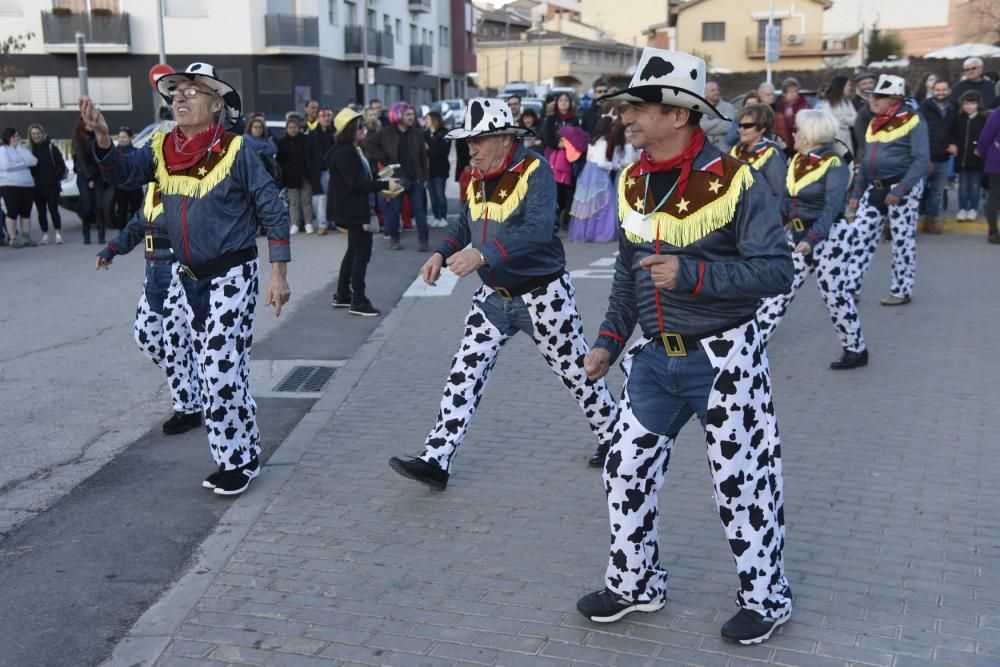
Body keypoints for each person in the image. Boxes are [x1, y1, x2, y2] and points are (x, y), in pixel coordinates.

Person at [573, 48, 794, 645]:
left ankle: (766, 596)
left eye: (639, 107)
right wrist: (608, 343)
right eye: (627, 107)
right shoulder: (633, 180)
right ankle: (635, 583)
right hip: (654, 359)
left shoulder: (737, 180)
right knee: (624, 468)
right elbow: (626, 273)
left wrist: (694, 277)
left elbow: (778, 271)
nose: (627, 117)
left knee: (743, 482)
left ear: (679, 115)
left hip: (725, 358)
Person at [80, 61, 292, 496]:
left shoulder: (237, 150)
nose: (179, 96)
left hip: (233, 272)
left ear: (216, 105)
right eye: (176, 91)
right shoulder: (161, 148)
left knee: (219, 369)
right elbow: (120, 173)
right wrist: (102, 137)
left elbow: (273, 208)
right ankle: (227, 441)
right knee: (201, 360)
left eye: (192, 92)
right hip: (186, 275)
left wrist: (278, 272)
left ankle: (240, 459)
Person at [387, 97, 620, 490]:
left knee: (577, 374)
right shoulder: (477, 174)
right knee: (464, 374)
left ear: (504, 139)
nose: (471, 149)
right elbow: (465, 224)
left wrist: (482, 254)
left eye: (479, 141)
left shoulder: (536, 170)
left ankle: (614, 435)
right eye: (469, 142)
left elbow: (539, 229)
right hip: (494, 297)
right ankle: (436, 458)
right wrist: (441, 252)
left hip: (542, 295)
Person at [756, 109, 868, 369]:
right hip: (797, 234)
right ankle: (752, 347)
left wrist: (813, 238)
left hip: (829, 237)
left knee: (834, 294)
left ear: (810, 135)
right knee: (779, 290)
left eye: (797, 130)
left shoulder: (834, 164)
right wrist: (772, 228)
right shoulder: (797, 160)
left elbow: (831, 207)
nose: (792, 133)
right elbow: (785, 201)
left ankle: (856, 349)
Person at [96, 192, 204, 436]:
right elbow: (137, 224)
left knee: (176, 343)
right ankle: (194, 382)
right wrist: (111, 249)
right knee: (147, 338)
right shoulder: (152, 190)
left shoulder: (185, 186)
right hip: (154, 273)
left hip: (180, 272)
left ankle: (187, 408)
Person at [846, 74, 930, 306]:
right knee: (860, 237)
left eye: (879, 97)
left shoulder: (913, 121)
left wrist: (902, 189)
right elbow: (866, 160)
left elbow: (921, 160)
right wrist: (856, 192)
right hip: (875, 188)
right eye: (873, 96)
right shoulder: (875, 122)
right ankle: (851, 286)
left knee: (902, 241)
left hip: (900, 188)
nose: (873, 100)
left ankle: (901, 290)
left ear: (894, 99)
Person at [327, 107, 401, 316]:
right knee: (361, 255)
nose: (364, 129)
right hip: (354, 210)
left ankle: (342, 295)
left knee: (353, 252)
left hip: (354, 209)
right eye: (359, 126)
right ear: (349, 129)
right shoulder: (345, 152)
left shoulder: (350, 149)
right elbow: (357, 183)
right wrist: (384, 183)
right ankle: (358, 301)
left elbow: (361, 179)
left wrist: (381, 180)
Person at [366, 101, 430, 251]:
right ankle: (394, 239)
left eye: (412, 114)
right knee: (394, 210)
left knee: (419, 210)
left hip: (415, 179)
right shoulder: (386, 132)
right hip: (396, 178)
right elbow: (368, 144)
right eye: (408, 114)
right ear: (398, 115)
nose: (411, 117)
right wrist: (384, 158)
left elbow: (423, 156)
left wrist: (425, 177)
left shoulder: (417, 133)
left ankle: (423, 240)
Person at [568, 115, 618, 243]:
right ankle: (601, 232)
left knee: (588, 203)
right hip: (598, 172)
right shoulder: (604, 142)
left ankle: (586, 232)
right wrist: (614, 166)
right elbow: (601, 162)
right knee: (605, 203)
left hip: (588, 171)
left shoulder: (593, 141)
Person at [918, 79, 953, 235]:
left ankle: (930, 221)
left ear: (949, 91)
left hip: (944, 157)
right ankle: (912, 220)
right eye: (937, 89)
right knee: (919, 190)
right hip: (926, 157)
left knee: (937, 192)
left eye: (944, 89)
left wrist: (954, 144)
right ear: (932, 91)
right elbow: (918, 132)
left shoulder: (953, 108)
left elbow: (955, 130)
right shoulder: (924, 108)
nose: (941, 92)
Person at [542, 92, 582, 228]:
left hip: (570, 158)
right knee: (555, 187)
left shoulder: (575, 119)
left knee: (569, 187)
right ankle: (554, 218)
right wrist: (558, 144)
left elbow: (578, 137)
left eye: (566, 100)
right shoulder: (551, 119)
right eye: (561, 100)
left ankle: (567, 218)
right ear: (557, 103)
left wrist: (569, 144)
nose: (564, 102)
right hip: (554, 157)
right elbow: (546, 137)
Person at [731, 104, 786, 200]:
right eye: (740, 125)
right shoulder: (736, 151)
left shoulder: (770, 153)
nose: (741, 129)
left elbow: (779, 192)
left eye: (747, 126)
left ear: (762, 129)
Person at [948, 90, 988, 222]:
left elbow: (986, 138)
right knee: (963, 185)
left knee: (975, 185)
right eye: (966, 103)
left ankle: (973, 209)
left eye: (972, 103)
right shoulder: (958, 119)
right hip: (962, 159)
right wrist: (953, 144)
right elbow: (952, 135)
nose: (969, 106)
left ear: (978, 104)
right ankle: (962, 209)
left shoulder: (983, 119)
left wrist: (981, 149)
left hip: (977, 159)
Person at [27, 123, 66, 245]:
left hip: (51, 185)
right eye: (33, 134)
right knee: (41, 212)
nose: (36, 136)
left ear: (42, 134)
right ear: (30, 135)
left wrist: (54, 179)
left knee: (53, 210)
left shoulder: (51, 148)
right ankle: (45, 235)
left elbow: (61, 165)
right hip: (37, 187)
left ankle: (58, 234)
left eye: (38, 133)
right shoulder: (28, 150)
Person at [0, 127, 37, 247]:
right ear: (7, 138)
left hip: (27, 185)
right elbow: (6, 166)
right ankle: (13, 238)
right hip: (10, 185)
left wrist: (20, 152)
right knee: (12, 212)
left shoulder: (23, 149)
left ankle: (26, 237)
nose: (17, 138)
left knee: (26, 212)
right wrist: (23, 164)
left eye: (18, 136)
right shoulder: (3, 150)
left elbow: (34, 162)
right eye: (13, 136)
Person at [277, 117, 314, 234]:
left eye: (295, 128)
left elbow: (310, 156)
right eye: (290, 128)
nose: (293, 130)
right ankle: (295, 223)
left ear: (299, 128)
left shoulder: (305, 140)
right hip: (290, 176)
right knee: (293, 202)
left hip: (305, 174)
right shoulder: (282, 142)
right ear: (286, 129)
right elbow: (279, 160)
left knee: (306, 201)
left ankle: (308, 223)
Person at [72, 117, 105, 244]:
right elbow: (80, 160)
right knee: (86, 206)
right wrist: (89, 177)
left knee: (99, 205)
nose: (91, 125)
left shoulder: (97, 136)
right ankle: (86, 234)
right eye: (88, 123)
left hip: (98, 174)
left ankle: (101, 235)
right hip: (84, 175)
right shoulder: (77, 139)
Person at [306, 107, 335, 235]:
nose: (326, 118)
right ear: (318, 118)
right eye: (323, 116)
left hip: (334, 170)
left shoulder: (335, 133)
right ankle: (322, 224)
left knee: (334, 198)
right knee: (321, 199)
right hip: (319, 171)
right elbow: (308, 155)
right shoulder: (312, 135)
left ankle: (335, 222)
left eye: (328, 116)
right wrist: (312, 172)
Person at [110, 127, 144, 231]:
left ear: (130, 138)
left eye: (124, 137)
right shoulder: (114, 152)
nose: (121, 139)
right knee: (122, 212)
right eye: (119, 137)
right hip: (121, 187)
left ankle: (137, 233)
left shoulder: (137, 152)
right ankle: (122, 235)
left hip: (135, 186)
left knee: (136, 212)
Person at [977, 102, 1000, 243]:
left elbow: (987, 134)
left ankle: (993, 232)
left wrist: (981, 150)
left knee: (994, 194)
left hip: (997, 159)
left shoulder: (998, 112)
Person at [816, 75, 857, 154]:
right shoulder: (827, 102)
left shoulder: (847, 102)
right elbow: (829, 120)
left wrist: (843, 119)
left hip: (847, 137)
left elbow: (855, 120)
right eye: (848, 85)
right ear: (841, 86)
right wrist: (847, 119)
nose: (850, 88)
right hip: (834, 137)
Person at [424, 110, 450, 228]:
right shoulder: (425, 134)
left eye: (427, 119)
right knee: (432, 196)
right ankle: (436, 216)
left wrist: (428, 151)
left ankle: (443, 217)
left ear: (434, 120)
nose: (425, 121)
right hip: (428, 170)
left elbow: (444, 151)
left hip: (440, 169)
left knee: (440, 194)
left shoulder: (444, 133)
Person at [774, 77, 811, 156]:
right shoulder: (777, 106)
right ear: (784, 93)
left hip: (801, 141)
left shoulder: (803, 104)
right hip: (783, 142)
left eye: (795, 91)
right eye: (791, 92)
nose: (794, 94)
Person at [700, 80, 737, 151]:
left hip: (724, 151)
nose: (716, 92)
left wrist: (706, 129)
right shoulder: (699, 108)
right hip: (704, 151)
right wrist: (719, 120)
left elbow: (727, 127)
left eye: (717, 90)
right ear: (705, 93)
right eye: (712, 90)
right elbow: (698, 127)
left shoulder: (728, 107)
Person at [244, 116, 280, 184]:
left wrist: (262, 152)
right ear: (250, 128)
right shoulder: (245, 141)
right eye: (255, 127)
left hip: (268, 174)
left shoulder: (267, 140)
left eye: (260, 127)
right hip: (251, 176)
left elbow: (274, 149)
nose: (258, 129)